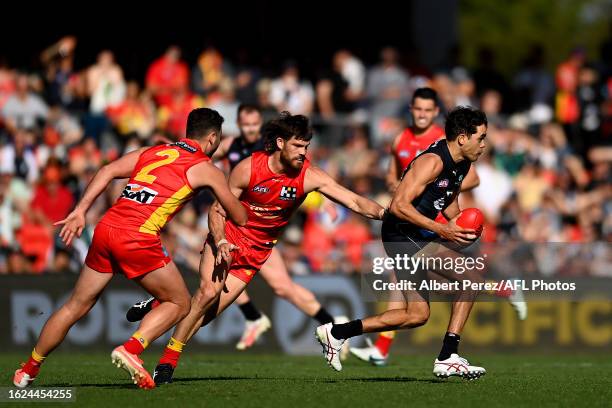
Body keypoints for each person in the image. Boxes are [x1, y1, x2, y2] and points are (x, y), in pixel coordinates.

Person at [12, 108, 247, 390]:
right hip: (137, 236)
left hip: (106, 227)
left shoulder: (154, 151)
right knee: (181, 303)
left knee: (75, 305)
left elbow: (107, 170)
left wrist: (80, 210)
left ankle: (27, 370)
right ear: (212, 139)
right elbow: (240, 217)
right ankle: (132, 349)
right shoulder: (206, 169)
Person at [150, 112, 385, 385]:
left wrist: (384, 214)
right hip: (227, 239)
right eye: (298, 145)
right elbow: (217, 210)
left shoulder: (309, 175)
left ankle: (160, 316)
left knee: (206, 314)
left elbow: (355, 202)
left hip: (257, 253)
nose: (303, 152)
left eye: (307, 146)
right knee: (207, 293)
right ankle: (165, 362)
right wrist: (221, 240)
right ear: (281, 143)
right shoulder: (248, 168)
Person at [127, 105, 347, 352]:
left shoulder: (280, 150)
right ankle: (267, 319)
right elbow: (199, 155)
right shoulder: (231, 146)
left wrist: (324, 202)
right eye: (246, 125)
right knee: (210, 292)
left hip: (261, 236)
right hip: (231, 225)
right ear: (239, 125)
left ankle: (325, 326)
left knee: (280, 286)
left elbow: (305, 181)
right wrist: (175, 149)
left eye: (255, 124)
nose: (251, 129)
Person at [316, 106, 489, 379]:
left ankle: (336, 333)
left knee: (416, 315)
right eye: (481, 137)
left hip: (417, 234)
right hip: (402, 233)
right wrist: (442, 231)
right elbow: (398, 205)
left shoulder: (463, 163)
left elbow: (449, 203)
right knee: (471, 280)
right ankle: (447, 356)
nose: (484, 144)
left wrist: (461, 227)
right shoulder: (432, 161)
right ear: (462, 138)